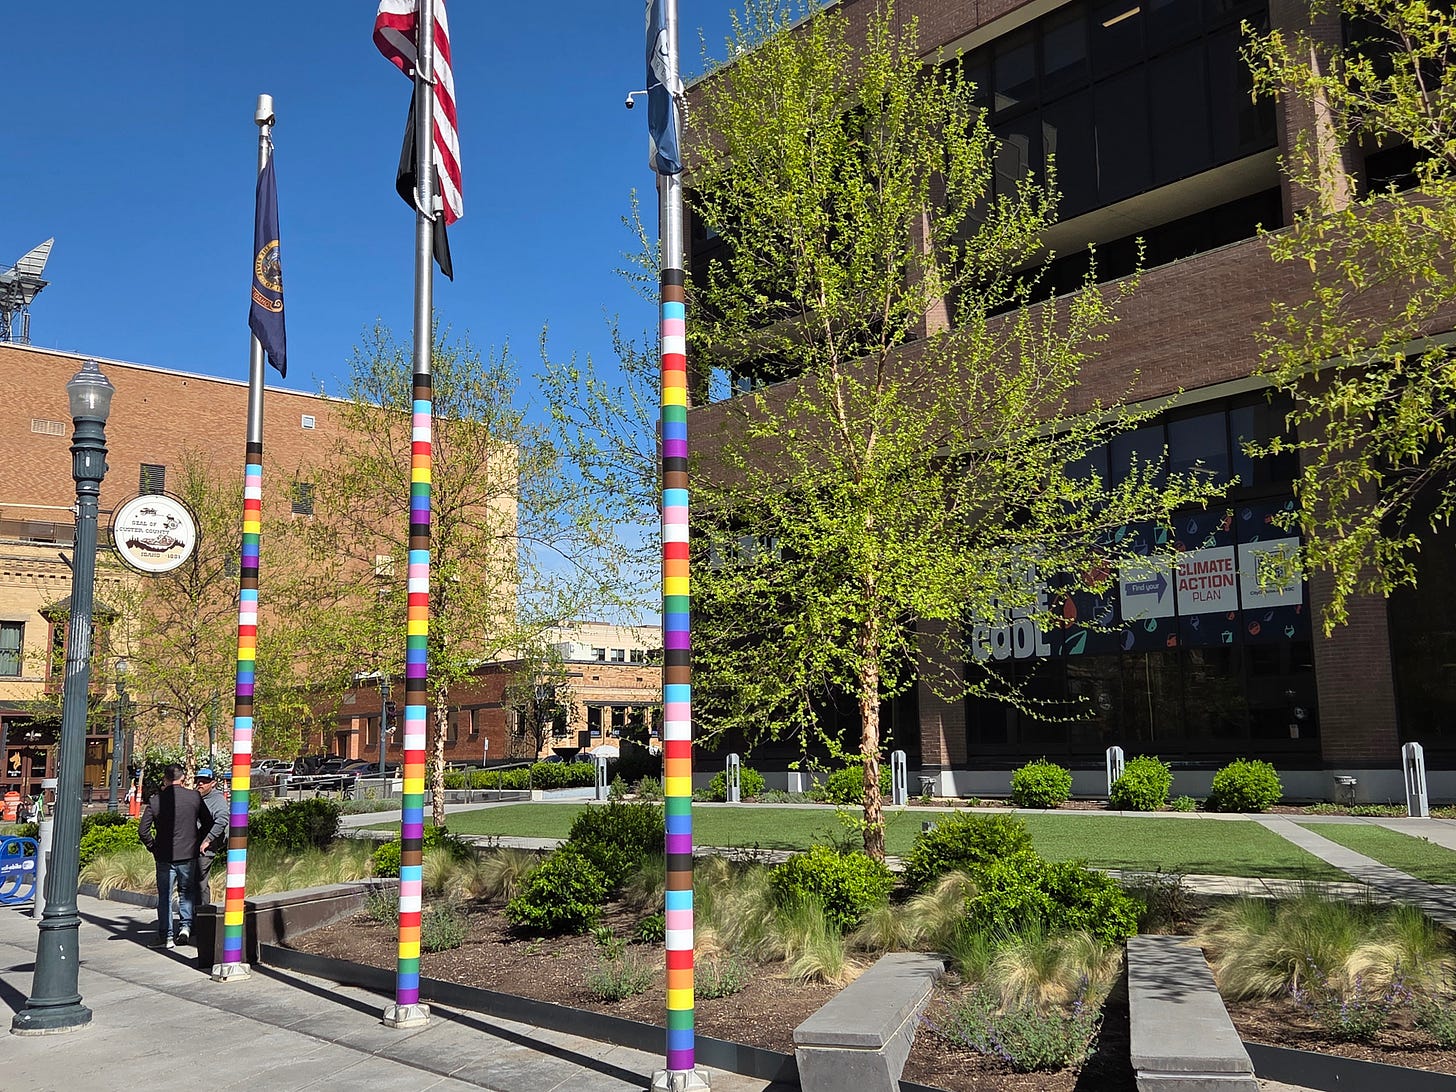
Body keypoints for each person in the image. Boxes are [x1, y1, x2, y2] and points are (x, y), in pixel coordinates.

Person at [138, 764, 205, 949]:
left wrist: (153, 847)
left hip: (165, 856)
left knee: (165, 896)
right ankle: (185, 928)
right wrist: (198, 842)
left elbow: (143, 830)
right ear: (183, 778)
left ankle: (166, 936)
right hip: (188, 854)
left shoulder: (156, 801)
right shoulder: (194, 797)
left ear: (165, 779)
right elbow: (207, 821)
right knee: (186, 892)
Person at [193, 767, 229, 909]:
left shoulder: (217, 799)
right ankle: (194, 918)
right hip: (193, 846)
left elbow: (222, 819)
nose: (201, 784)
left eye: (205, 781)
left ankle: (202, 917)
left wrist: (208, 840)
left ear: (213, 783)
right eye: (199, 781)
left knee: (200, 883)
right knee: (193, 882)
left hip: (205, 849)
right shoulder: (197, 797)